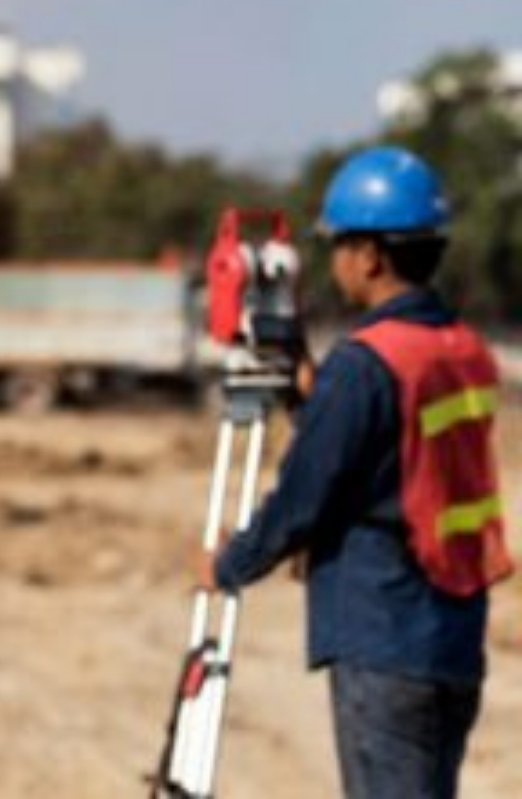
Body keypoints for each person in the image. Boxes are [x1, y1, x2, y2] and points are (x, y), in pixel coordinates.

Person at [203, 146, 512, 799]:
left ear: (369, 255)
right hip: (451, 638)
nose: (335, 260)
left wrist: (231, 564)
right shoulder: (459, 349)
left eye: (340, 245)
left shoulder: (366, 364)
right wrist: (310, 390)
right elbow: (391, 456)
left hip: (383, 636)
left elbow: (303, 499)